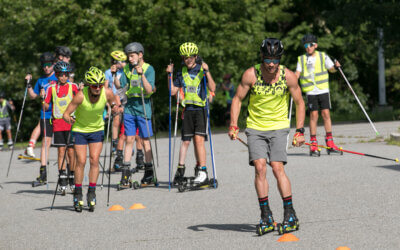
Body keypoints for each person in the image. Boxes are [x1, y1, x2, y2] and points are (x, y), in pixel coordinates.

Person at [228, 38, 306, 236]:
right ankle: (266, 216)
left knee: (277, 167)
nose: (271, 64)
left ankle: (290, 213)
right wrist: (233, 124)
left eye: (275, 59)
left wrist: (299, 131)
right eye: (268, 59)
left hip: (279, 127)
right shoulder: (250, 74)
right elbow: (237, 99)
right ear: (262, 57)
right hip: (255, 128)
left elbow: (299, 103)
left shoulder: (287, 76)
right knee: (260, 167)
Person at [63, 66, 118, 212]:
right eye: (94, 85)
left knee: (94, 160)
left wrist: (114, 108)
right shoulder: (81, 96)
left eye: (100, 85)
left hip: (97, 130)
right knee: (81, 161)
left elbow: (114, 103)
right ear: (88, 85)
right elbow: (66, 114)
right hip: (80, 130)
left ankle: (91, 193)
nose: (98, 88)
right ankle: (78, 193)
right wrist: (69, 119)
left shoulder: (106, 93)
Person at [166, 42, 216, 186]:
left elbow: (212, 87)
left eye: (190, 57)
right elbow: (172, 91)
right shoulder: (180, 71)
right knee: (186, 140)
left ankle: (203, 172)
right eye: (185, 57)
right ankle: (182, 171)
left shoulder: (201, 69)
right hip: (188, 110)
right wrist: (169, 75)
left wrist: (207, 71)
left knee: (199, 140)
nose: (188, 60)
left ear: (195, 57)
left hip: (200, 109)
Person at [114, 42, 156, 187]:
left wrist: (141, 75)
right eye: (128, 56)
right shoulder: (127, 69)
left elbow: (149, 90)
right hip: (129, 108)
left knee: (145, 140)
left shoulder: (149, 69)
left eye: (132, 56)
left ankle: (149, 172)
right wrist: (114, 75)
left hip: (143, 107)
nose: (130, 59)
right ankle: (125, 174)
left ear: (140, 55)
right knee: (129, 138)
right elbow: (119, 86)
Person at [295, 34, 341, 154]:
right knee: (313, 115)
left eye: (310, 45)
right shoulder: (301, 59)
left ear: (315, 45)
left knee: (326, 113)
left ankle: (330, 141)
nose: (308, 47)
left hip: (323, 89)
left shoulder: (322, 56)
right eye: (306, 45)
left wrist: (336, 67)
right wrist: (292, 80)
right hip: (311, 90)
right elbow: (297, 73)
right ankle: (313, 142)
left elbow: (331, 69)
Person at [43, 61, 78, 193]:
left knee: (71, 151)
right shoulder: (51, 88)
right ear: (57, 75)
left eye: (66, 75)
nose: (64, 77)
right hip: (57, 123)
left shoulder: (73, 87)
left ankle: (72, 176)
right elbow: (46, 106)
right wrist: (42, 100)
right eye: (61, 75)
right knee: (61, 152)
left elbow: (80, 100)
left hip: (71, 123)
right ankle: (62, 177)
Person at [27, 52, 57, 186]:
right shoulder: (40, 81)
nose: (46, 68)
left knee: (64, 146)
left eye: (49, 65)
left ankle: (67, 173)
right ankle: (43, 174)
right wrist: (28, 85)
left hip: (60, 115)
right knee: (45, 143)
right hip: (46, 115)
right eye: (44, 65)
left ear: (53, 64)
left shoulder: (59, 77)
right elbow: (33, 96)